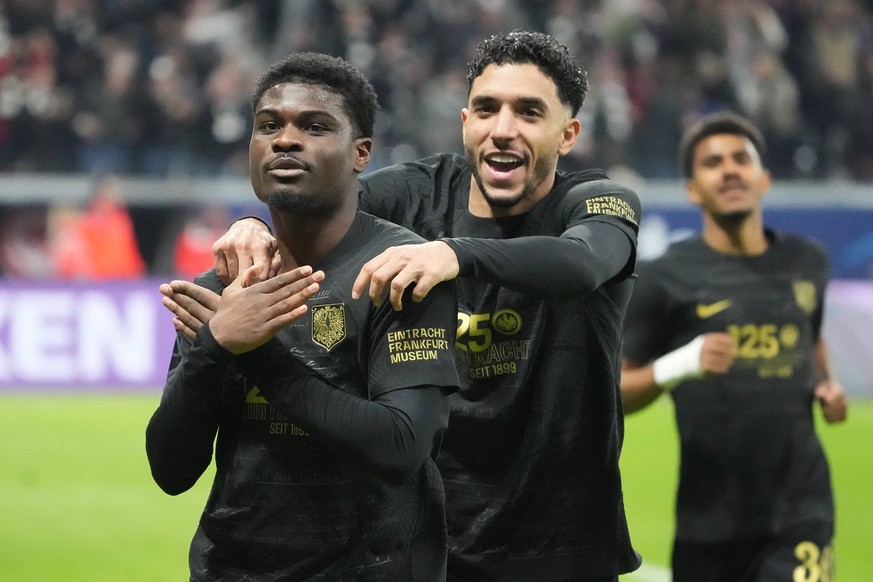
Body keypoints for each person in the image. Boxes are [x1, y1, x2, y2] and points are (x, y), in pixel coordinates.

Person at [209, 31, 642, 581]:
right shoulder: (412, 194)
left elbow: (581, 265)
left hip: (560, 546)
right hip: (420, 547)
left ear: (568, 134)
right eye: (487, 109)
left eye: (529, 113)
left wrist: (453, 254)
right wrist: (251, 223)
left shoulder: (597, 202)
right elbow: (309, 202)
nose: (502, 129)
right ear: (466, 122)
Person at [145, 52, 460, 581]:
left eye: (314, 127)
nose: (285, 140)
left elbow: (402, 445)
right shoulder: (221, 289)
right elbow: (171, 471)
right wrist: (212, 350)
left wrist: (254, 352)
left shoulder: (400, 270)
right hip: (233, 569)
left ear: (361, 154)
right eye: (268, 126)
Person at [620, 111, 848, 582]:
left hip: (799, 511)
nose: (729, 170)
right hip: (707, 524)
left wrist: (827, 385)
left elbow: (810, 334)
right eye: (712, 162)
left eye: (741, 159)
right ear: (692, 188)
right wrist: (679, 365)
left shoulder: (808, 262)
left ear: (763, 179)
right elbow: (616, 390)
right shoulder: (665, 278)